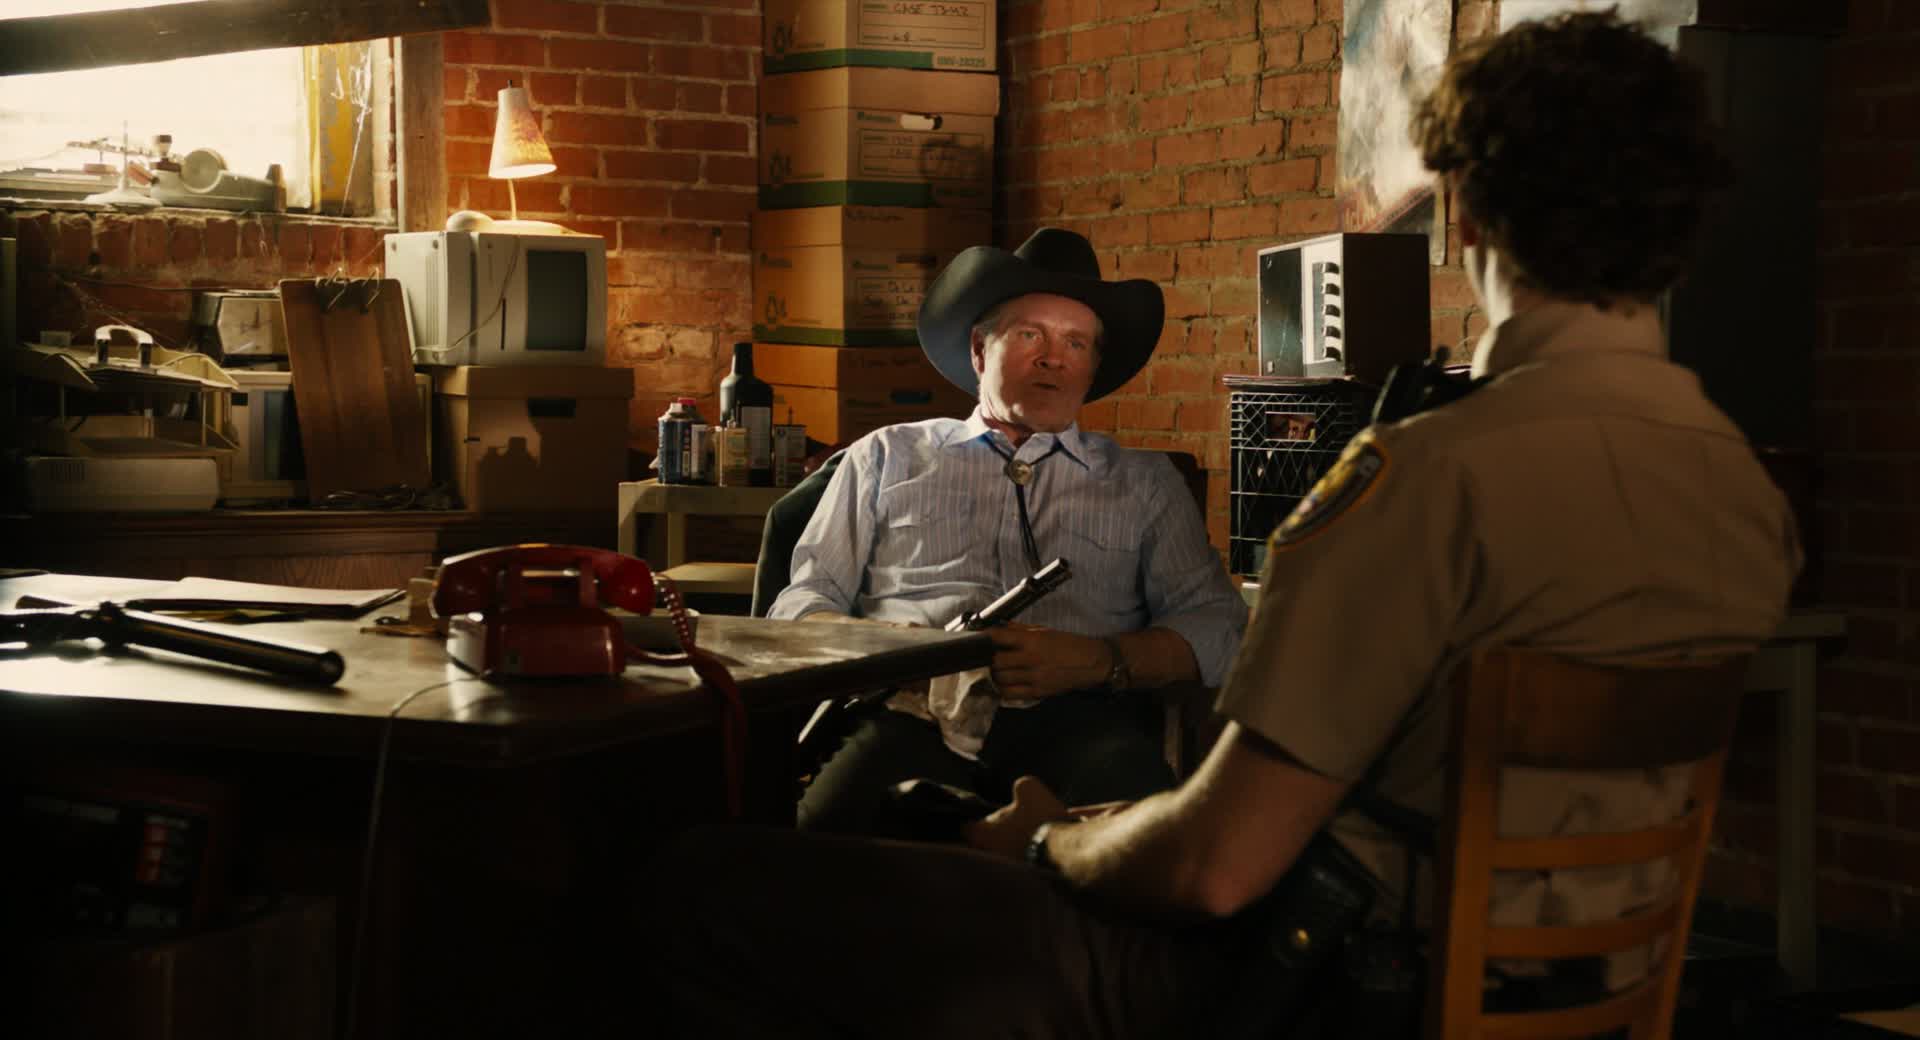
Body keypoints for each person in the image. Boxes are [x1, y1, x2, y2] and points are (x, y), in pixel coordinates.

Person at [639, 12, 1800, 1037]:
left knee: (704, 878)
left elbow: (1213, 869)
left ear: (1467, 211)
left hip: (1320, 982)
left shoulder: (1422, 478)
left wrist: (1044, 839)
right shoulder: (1747, 496)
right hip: (1579, 983)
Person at [767, 225, 1248, 835]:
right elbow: (799, 607)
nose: (1053, 357)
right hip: (909, 715)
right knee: (819, 846)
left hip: (1082, 722)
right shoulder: (886, 455)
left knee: (1141, 845)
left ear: (1091, 368)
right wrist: (886, 649)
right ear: (978, 350)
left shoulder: (1144, 483)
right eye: (1029, 335)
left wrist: (1099, 660)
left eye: (1075, 343)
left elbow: (1218, 627)